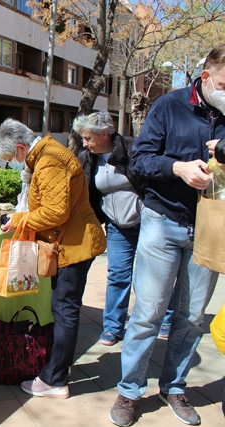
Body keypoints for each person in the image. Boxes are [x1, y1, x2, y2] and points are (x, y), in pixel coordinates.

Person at [109, 44, 225, 427]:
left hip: (211, 227)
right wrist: (178, 168)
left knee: (192, 317)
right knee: (148, 313)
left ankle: (174, 386)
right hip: (163, 221)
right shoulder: (170, 106)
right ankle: (129, 392)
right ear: (206, 77)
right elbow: (140, 159)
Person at [0, 119, 106, 399]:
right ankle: (60, 365)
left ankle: (54, 379)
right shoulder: (46, 155)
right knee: (64, 307)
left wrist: (19, 218)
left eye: (12, 158)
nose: (14, 164)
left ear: (21, 148)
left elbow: (55, 212)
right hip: (71, 242)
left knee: (65, 309)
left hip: (73, 246)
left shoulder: (49, 160)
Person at [74, 111, 148, 346]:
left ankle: (164, 319)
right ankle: (113, 326)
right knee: (117, 275)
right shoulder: (88, 157)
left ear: (104, 134)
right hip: (117, 226)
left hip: (147, 223)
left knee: (152, 276)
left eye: (88, 138)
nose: (84, 143)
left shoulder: (133, 148)